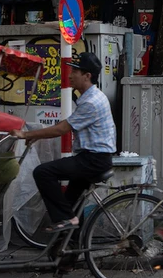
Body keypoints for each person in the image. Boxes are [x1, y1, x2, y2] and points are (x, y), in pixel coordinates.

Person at [14, 52, 116, 232]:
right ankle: (71, 244)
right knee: (70, 204)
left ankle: (66, 219)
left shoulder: (91, 102)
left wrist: (25, 134)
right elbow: (66, 124)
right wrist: (37, 135)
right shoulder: (91, 97)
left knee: (43, 172)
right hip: (93, 158)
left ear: (87, 76)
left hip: (93, 160)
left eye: (75, 72)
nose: (70, 75)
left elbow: (62, 129)